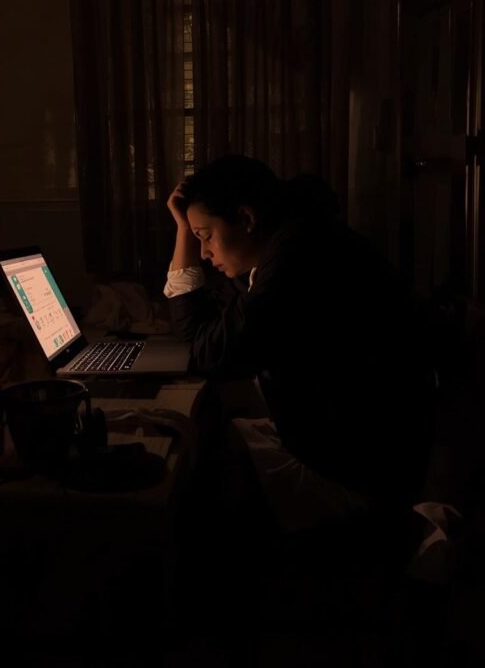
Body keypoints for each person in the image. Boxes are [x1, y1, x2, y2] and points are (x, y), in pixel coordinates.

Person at [164, 154, 434, 544]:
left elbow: (209, 354)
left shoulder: (298, 259)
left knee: (196, 491)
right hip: (350, 447)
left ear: (247, 218)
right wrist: (185, 229)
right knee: (206, 445)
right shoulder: (289, 240)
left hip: (359, 474)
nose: (203, 253)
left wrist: (183, 232)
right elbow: (207, 330)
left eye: (205, 236)